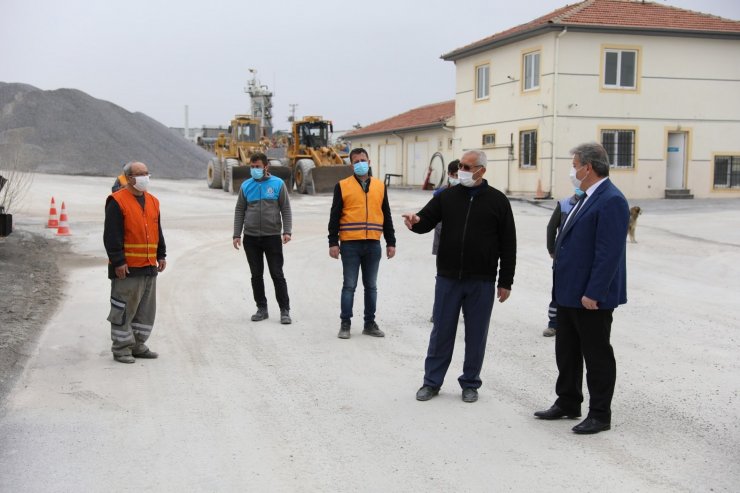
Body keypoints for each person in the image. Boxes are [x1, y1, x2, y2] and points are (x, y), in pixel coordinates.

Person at [403, 150, 517, 403]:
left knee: (476, 334)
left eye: (467, 166)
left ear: (481, 171)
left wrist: (505, 281)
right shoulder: (448, 196)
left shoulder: (498, 201)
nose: (461, 170)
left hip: (482, 280)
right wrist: (415, 221)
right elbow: (426, 220)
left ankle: (470, 383)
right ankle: (431, 382)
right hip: (448, 277)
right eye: (460, 166)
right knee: (441, 331)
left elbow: (508, 244)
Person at [534, 142, 629, 435]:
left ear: (588, 167)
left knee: (596, 354)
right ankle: (568, 401)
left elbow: (608, 253)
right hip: (569, 292)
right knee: (567, 351)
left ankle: (600, 414)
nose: (572, 171)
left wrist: (594, 292)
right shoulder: (585, 196)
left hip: (591, 296)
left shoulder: (611, 199)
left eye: (575, 166)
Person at [328, 147, 396, 339]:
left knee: (371, 286)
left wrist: (391, 242)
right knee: (349, 285)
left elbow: (387, 216)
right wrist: (333, 242)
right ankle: (345, 323)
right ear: (351, 165)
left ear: (369, 161)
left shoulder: (380, 186)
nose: (360, 164)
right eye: (356, 161)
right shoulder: (342, 186)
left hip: (373, 244)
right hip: (350, 244)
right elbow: (334, 216)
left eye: (363, 160)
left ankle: (369, 323)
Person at [104, 161, 166, 364]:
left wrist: (161, 255)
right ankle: (121, 348)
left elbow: (158, 231)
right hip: (127, 268)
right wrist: (118, 261)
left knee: (145, 311)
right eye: (140, 174)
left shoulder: (153, 201)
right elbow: (111, 235)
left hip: (148, 266)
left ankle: (138, 345)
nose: (145, 177)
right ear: (129, 178)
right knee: (124, 309)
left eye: (147, 173)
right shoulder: (117, 201)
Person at [233, 153, 293, 324]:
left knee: (277, 274)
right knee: (256, 275)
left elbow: (286, 209)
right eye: (252, 167)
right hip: (251, 238)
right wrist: (237, 234)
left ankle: (284, 310)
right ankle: (262, 308)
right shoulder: (246, 186)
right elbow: (239, 210)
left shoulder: (277, 184)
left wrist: (287, 231)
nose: (254, 170)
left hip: (272, 237)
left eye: (257, 166)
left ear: (266, 167)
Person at [543, 188, 584, 337]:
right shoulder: (565, 204)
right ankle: (553, 323)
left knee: (564, 291)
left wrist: (551, 249)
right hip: (564, 257)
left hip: (574, 257)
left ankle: (564, 324)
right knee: (559, 291)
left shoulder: (587, 203)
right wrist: (551, 249)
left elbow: (550, 228)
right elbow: (551, 227)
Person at [429, 159, 460, 323]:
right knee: (442, 278)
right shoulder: (440, 194)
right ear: (449, 175)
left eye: (460, 175)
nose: (457, 178)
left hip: (462, 245)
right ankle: (438, 311)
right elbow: (432, 218)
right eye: (455, 175)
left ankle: (460, 311)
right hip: (443, 243)